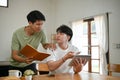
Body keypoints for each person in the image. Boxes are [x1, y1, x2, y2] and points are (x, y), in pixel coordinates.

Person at [9, 10, 53, 75]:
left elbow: (45, 45)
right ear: (30, 23)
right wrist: (24, 60)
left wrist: (49, 45)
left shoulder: (41, 32)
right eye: (38, 24)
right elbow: (14, 55)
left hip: (30, 64)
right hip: (15, 65)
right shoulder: (17, 33)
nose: (40, 27)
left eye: (41, 24)